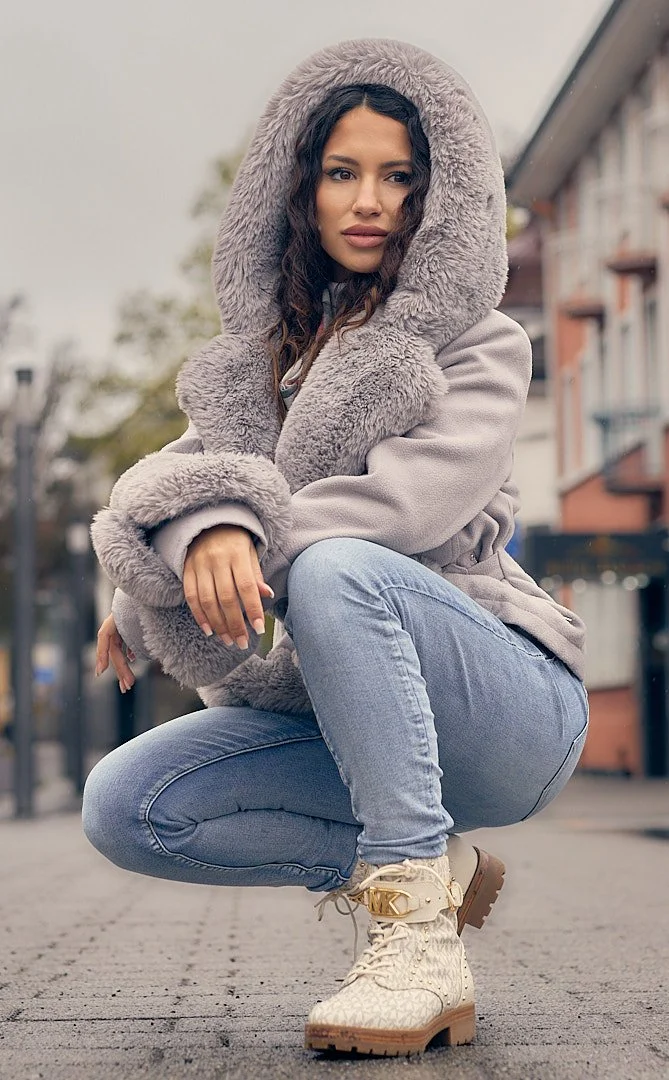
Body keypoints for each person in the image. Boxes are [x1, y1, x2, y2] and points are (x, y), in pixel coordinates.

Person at [83, 38, 589, 1058]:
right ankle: (434, 878)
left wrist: (238, 537)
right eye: (341, 172)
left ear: (435, 195)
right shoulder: (266, 366)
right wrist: (194, 543)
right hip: (357, 721)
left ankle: (415, 943)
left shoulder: (482, 343)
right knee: (126, 804)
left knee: (339, 564)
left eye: (400, 176)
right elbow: (180, 480)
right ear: (298, 189)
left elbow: (398, 510)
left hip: (506, 705)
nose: (370, 199)